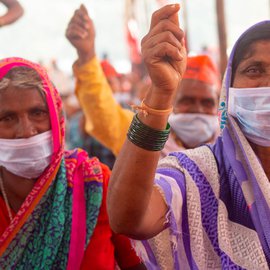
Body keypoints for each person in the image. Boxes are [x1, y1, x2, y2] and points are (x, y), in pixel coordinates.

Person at [107, 4, 270, 269]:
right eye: (254, 70)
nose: (267, 84)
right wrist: (161, 92)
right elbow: (129, 218)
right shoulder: (196, 173)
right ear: (229, 90)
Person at [0, 57, 145, 269]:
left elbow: (138, 263)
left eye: (37, 113)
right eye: (7, 118)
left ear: (56, 115)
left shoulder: (94, 183)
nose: (26, 130)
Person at [66, 5, 221, 158]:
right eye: (187, 101)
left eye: (207, 103)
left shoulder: (230, 145)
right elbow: (104, 116)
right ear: (172, 103)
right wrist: (86, 56)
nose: (198, 110)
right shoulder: (142, 136)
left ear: (218, 105)